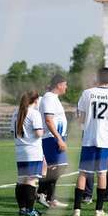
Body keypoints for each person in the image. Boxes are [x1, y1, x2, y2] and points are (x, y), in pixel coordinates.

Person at [72, 67, 108, 216]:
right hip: (105, 139)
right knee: (102, 174)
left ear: (97, 78)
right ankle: (99, 210)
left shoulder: (87, 93)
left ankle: (77, 209)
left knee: (83, 173)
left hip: (88, 138)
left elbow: (80, 118)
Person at [38, 74, 69, 208]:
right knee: (58, 167)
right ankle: (40, 192)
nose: (66, 87)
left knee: (57, 168)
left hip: (55, 138)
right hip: (51, 139)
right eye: (65, 84)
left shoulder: (53, 98)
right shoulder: (48, 98)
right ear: (59, 85)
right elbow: (49, 120)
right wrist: (59, 139)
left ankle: (50, 197)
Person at [11, 90, 44, 216]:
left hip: (20, 150)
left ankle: (22, 208)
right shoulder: (34, 113)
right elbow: (38, 133)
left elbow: (12, 132)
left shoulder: (15, 113)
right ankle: (30, 210)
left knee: (21, 180)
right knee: (31, 180)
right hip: (32, 150)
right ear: (35, 100)